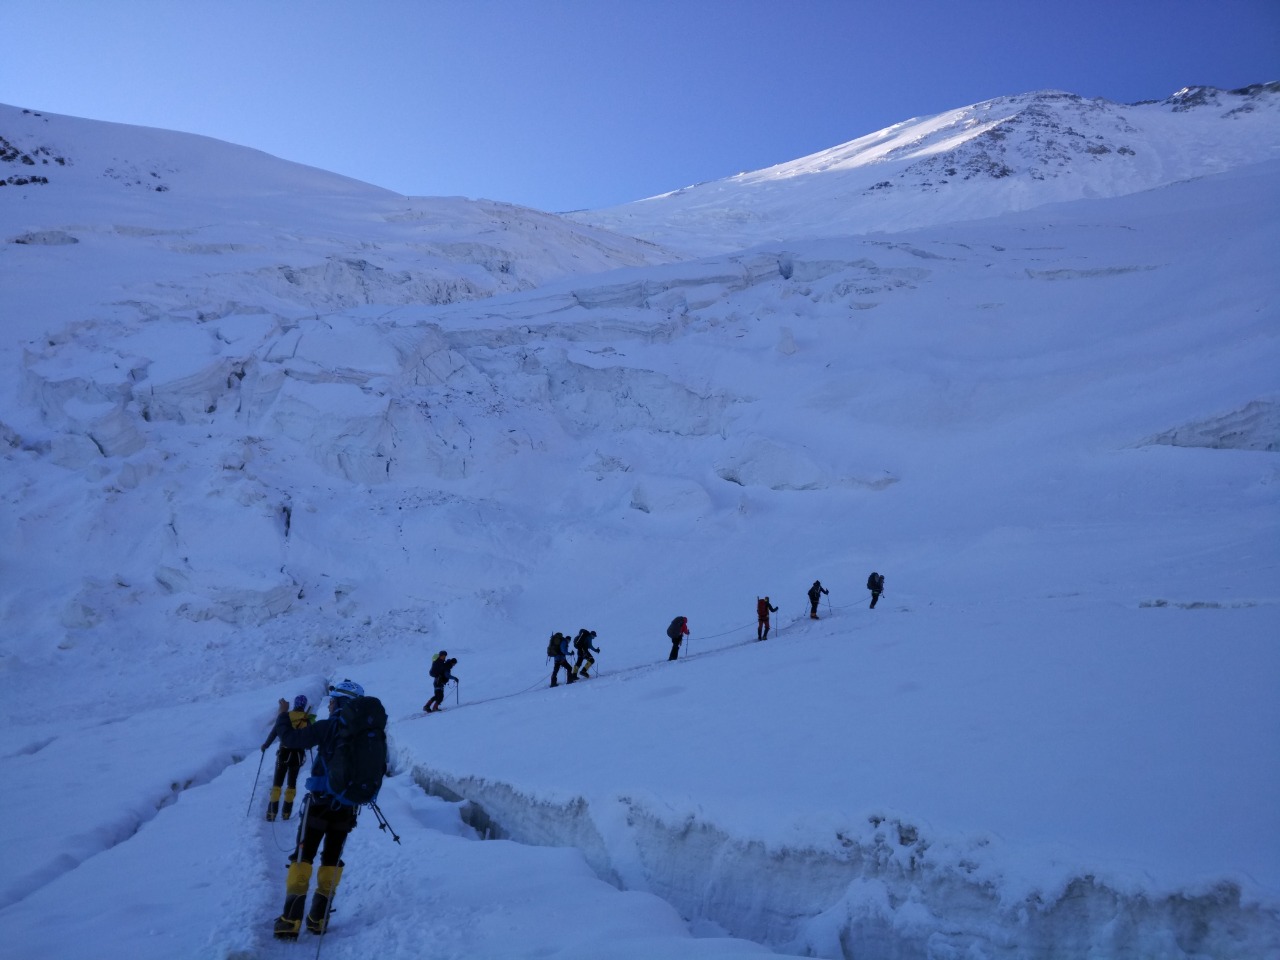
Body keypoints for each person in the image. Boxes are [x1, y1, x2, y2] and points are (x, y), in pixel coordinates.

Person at [270, 679, 368, 940]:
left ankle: (290, 920)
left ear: (338, 702)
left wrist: (282, 714)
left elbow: (290, 739)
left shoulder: (328, 726)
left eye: (332, 701)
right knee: (331, 860)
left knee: (303, 858)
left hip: (319, 805)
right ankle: (318, 919)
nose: (329, 705)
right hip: (347, 809)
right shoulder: (365, 733)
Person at [261, 694, 314, 820]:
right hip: (298, 755)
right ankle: (286, 813)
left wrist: (266, 745)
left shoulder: (286, 717)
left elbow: (275, 732)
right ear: (304, 704)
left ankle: (271, 813)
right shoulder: (307, 719)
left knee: (277, 783)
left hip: (283, 753)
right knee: (291, 783)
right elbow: (310, 740)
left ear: (295, 703)